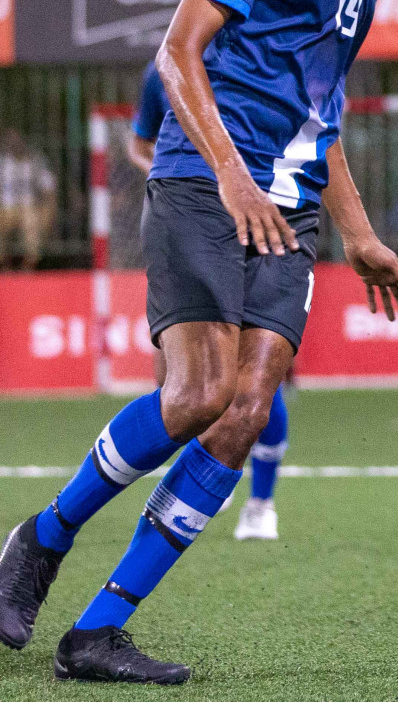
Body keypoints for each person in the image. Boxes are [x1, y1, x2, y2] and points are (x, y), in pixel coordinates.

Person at [0, 0, 398, 684]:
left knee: (244, 414)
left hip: (287, 211)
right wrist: (232, 174)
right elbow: (177, 53)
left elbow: (319, 110)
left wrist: (360, 231)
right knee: (197, 395)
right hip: (208, 188)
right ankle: (40, 539)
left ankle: (97, 633)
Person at [128, 58, 292, 543]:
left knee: (256, 373)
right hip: (186, 223)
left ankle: (261, 503)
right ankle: (196, 480)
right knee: (176, 381)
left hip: (258, 225)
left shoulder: (272, 62)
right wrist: (175, 171)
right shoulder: (164, 70)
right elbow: (140, 144)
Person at [0, 129, 56, 271]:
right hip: (5, 208)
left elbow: (49, 188)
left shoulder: (35, 161)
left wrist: (48, 210)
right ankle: (5, 267)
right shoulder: (2, 163)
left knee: (31, 222)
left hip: (29, 207)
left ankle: (28, 266)